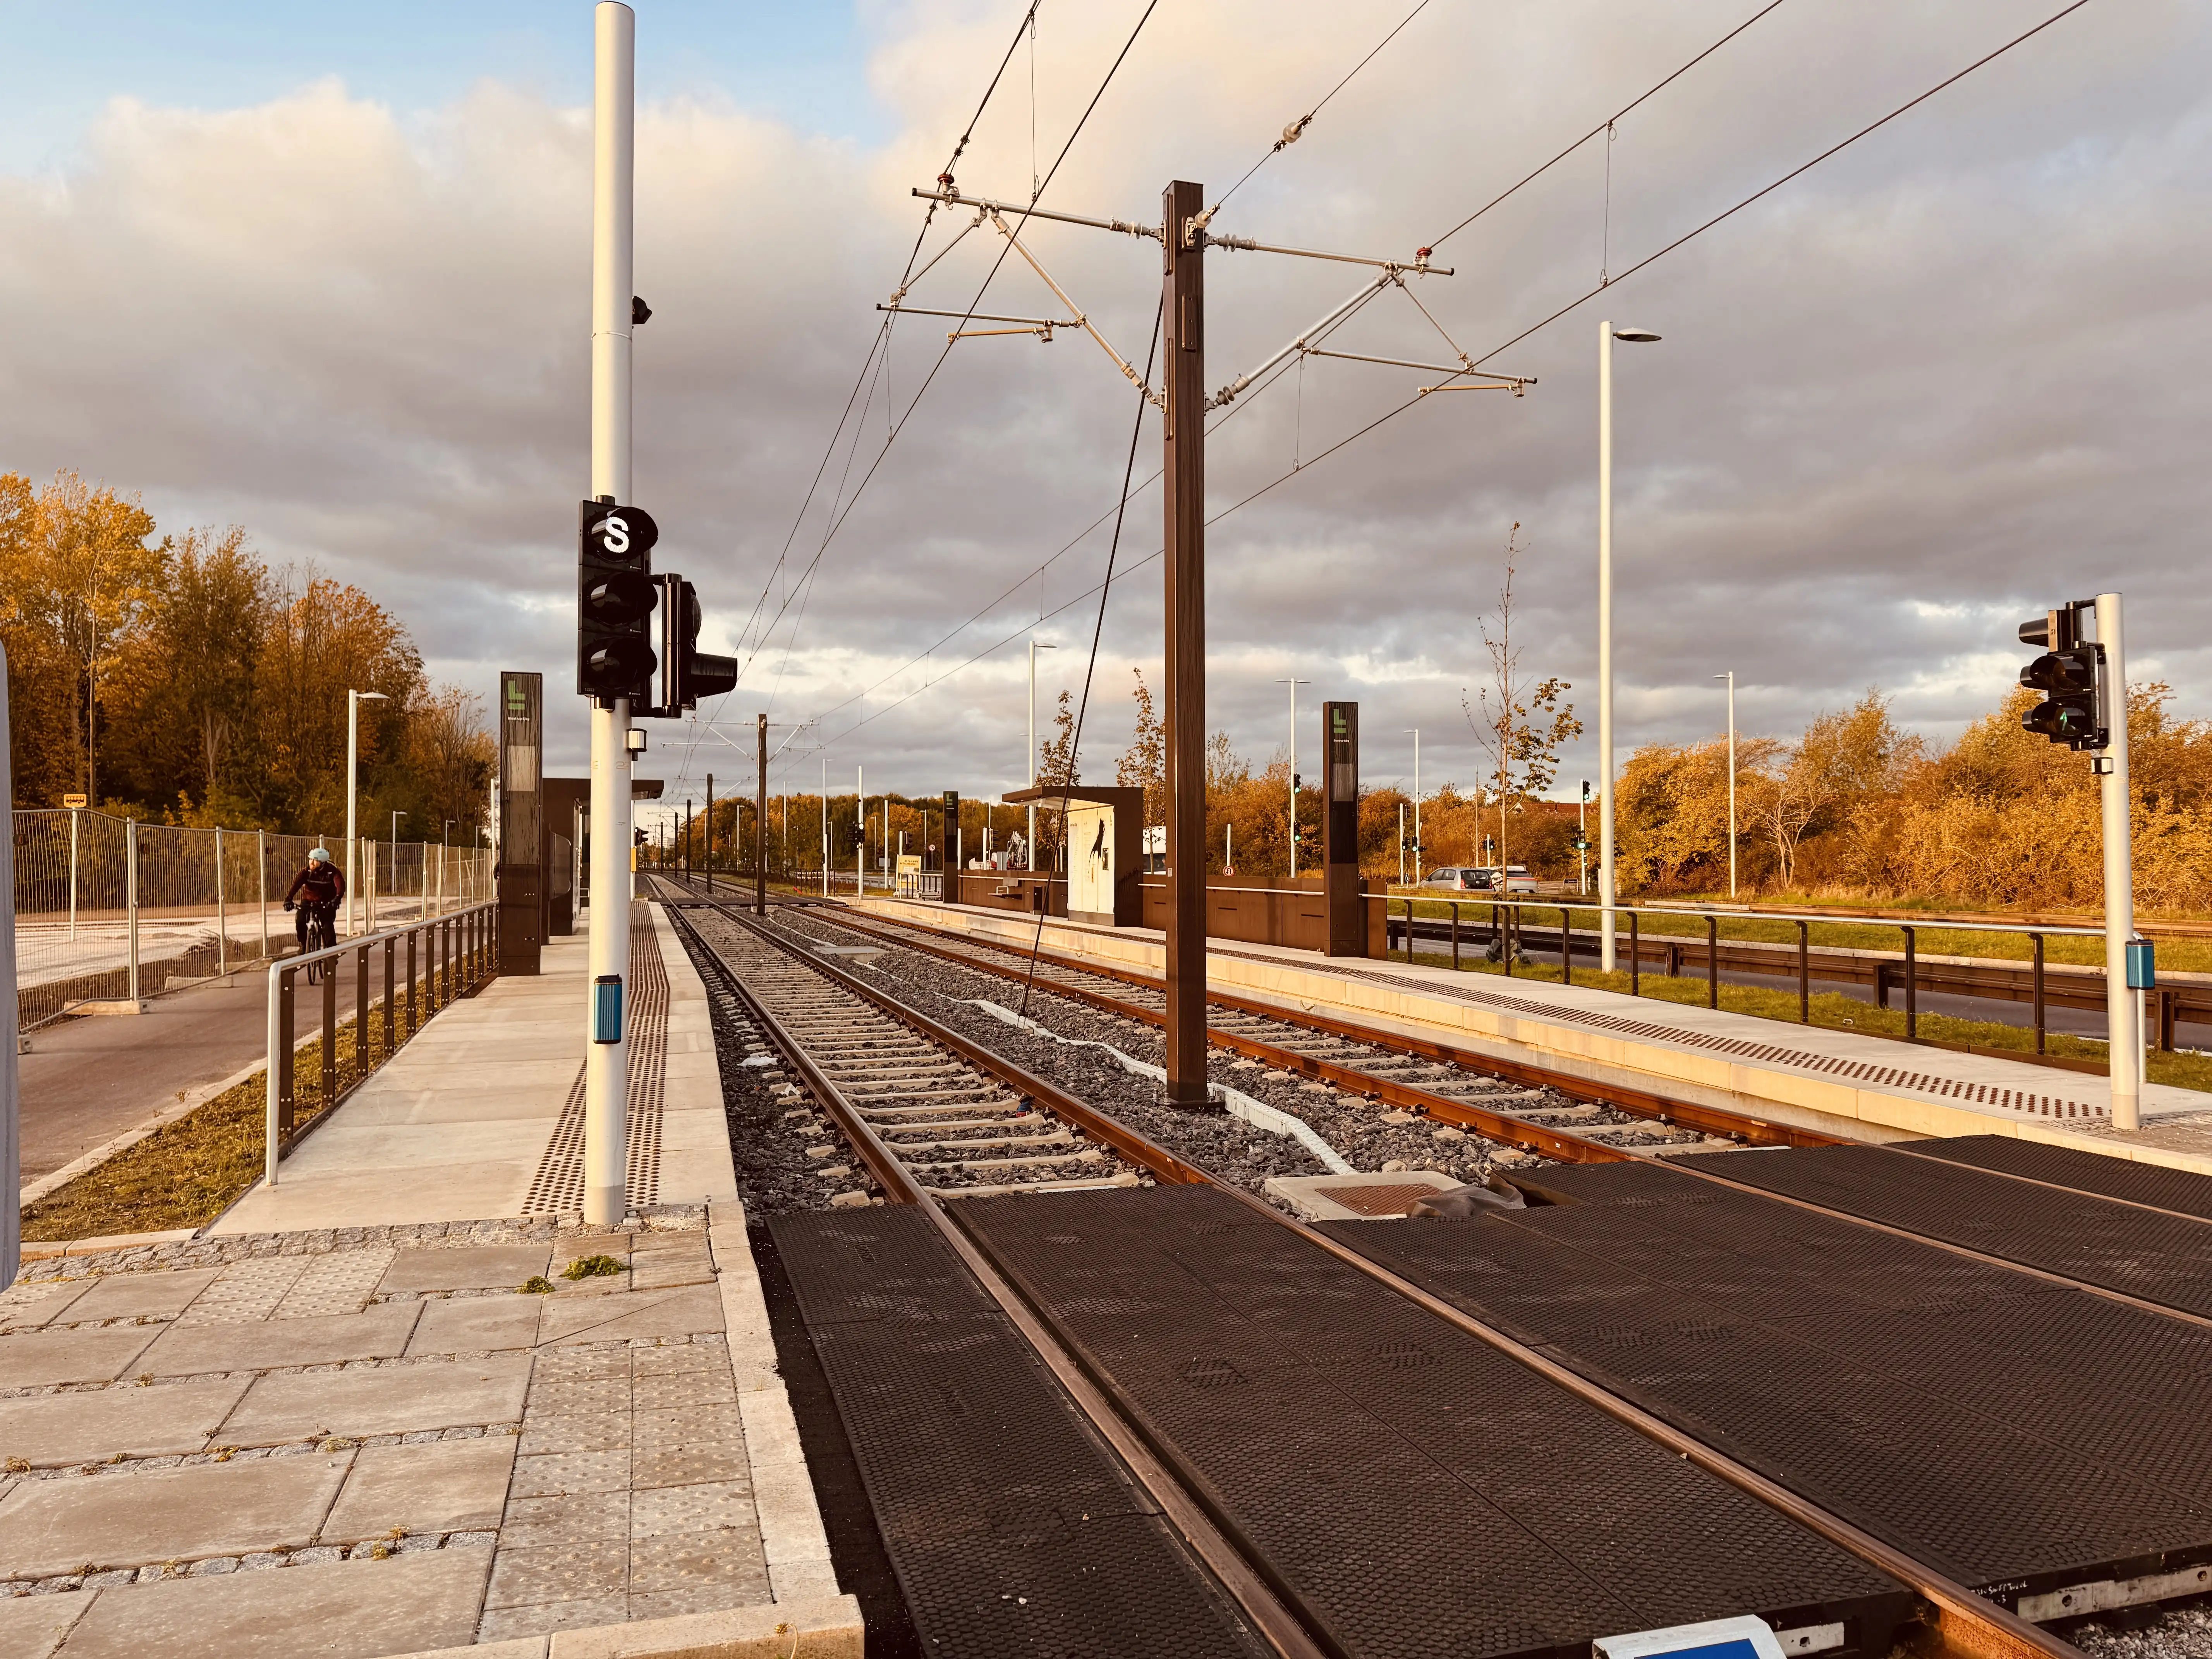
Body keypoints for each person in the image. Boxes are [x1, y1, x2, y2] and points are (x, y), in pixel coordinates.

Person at [282, 847, 346, 953]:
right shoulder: (306, 872)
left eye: (315, 860)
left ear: (322, 862)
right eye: (310, 859)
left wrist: (337, 898)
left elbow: (340, 885)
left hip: (327, 902)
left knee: (327, 926)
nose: (311, 862)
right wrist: (288, 899)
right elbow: (296, 885)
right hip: (308, 900)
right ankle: (304, 945)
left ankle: (332, 953)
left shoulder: (332, 871)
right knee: (300, 920)